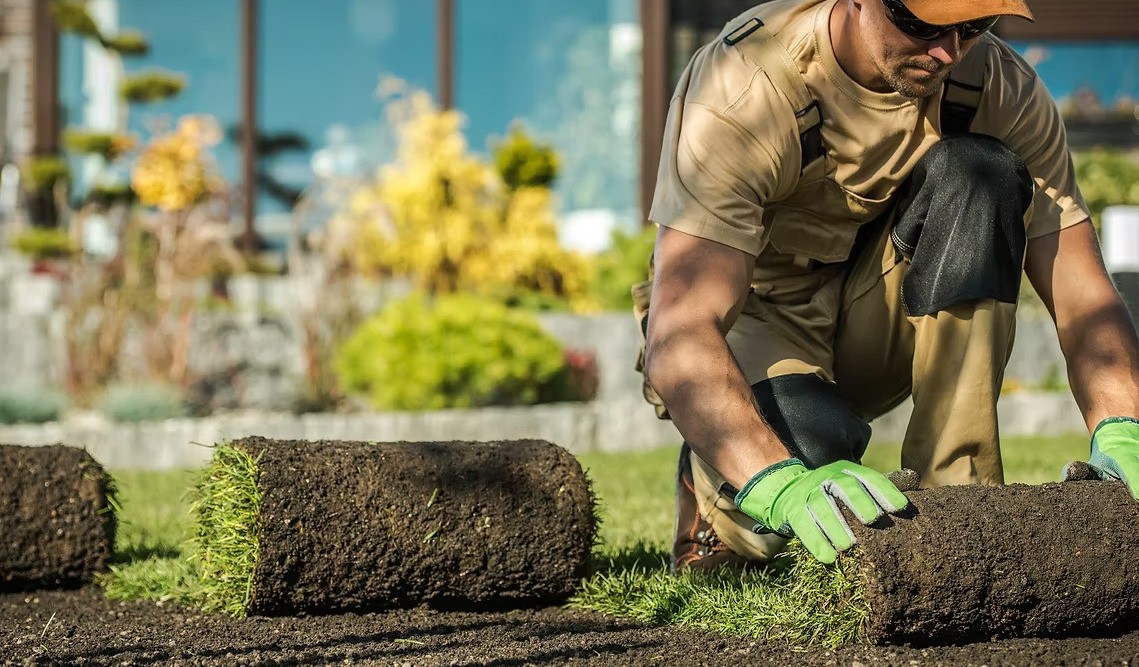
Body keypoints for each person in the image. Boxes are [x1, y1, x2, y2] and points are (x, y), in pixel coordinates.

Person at [634, 0, 1139, 571]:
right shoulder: (744, 86)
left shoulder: (1000, 89)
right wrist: (776, 483)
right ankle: (713, 504)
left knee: (978, 173)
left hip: (874, 314)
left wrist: (1125, 424)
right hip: (759, 320)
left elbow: (1084, 295)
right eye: (922, 24)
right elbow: (681, 334)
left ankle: (960, 507)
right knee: (814, 442)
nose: (948, 51)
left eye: (973, 28)